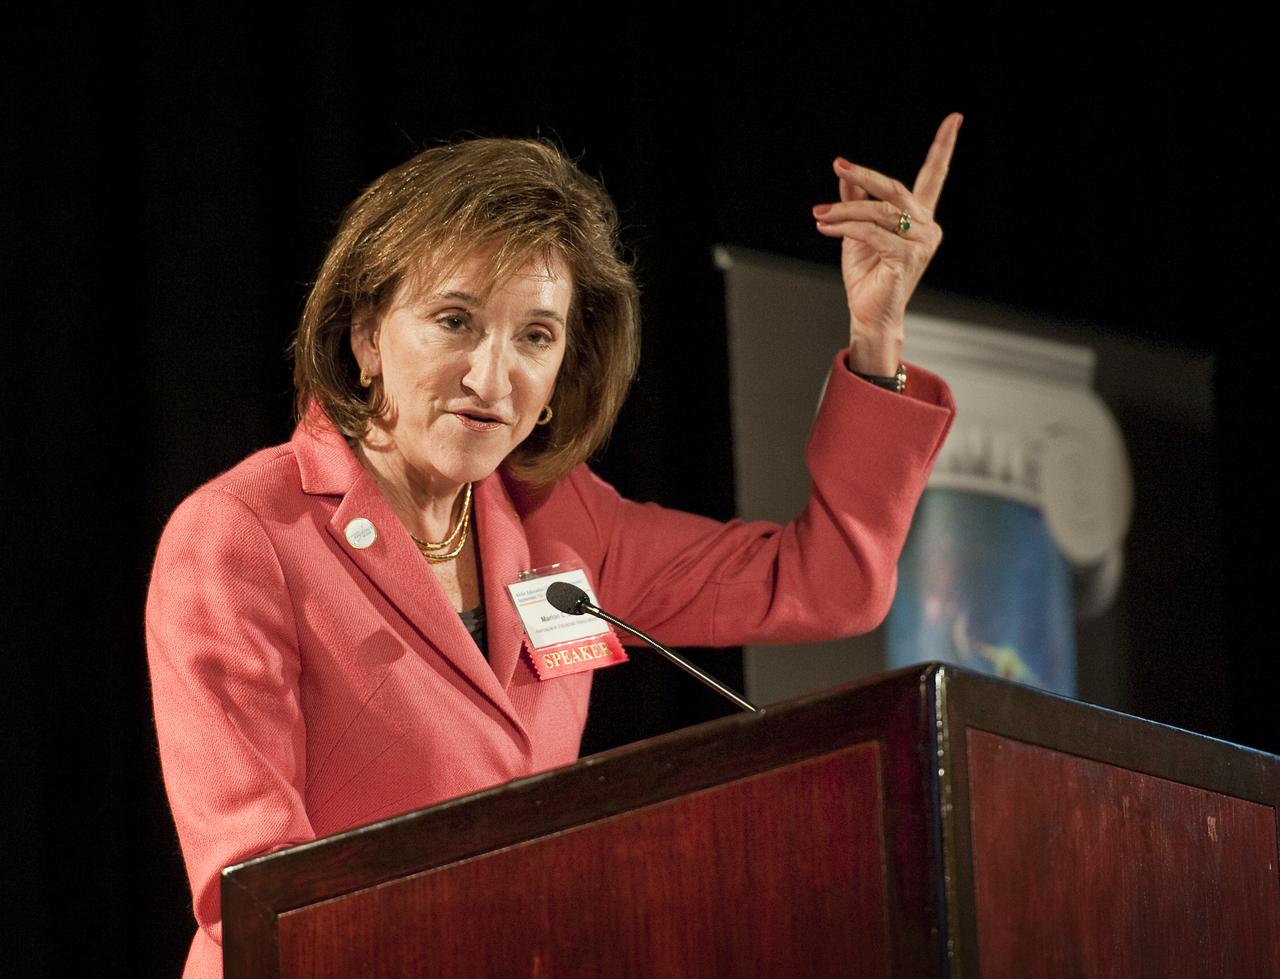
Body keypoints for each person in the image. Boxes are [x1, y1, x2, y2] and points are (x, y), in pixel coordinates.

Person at [146, 115, 961, 978]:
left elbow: (827, 583)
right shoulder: (244, 535)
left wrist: (879, 342)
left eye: (535, 335)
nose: (493, 378)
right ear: (364, 336)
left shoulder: (559, 526)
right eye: (455, 320)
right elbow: (259, 890)